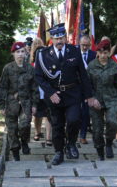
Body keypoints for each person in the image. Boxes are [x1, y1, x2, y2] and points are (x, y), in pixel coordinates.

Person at [35, 23, 93, 165]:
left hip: (72, 93)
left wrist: (89, 95)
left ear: (66, 38)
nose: (59, 41)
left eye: (61, 37)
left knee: (74, 120)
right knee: (57, 125)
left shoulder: (74, 51)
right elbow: (38, 77)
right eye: (56, 39)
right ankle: (58, 152)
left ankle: (71, 144)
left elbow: (83, 75)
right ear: (52, 40)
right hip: (54, 96)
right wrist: (50, 92)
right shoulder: (43, 55)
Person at [0, 42, 37, 161]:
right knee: (12, 129)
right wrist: (1, 105)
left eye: (22, 52)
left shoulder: (30, 68)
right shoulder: (8, 68)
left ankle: (24, 141)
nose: (20, 54)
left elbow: (34, 87)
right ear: (13, 54)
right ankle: (15, 151)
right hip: (11, 103)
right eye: (17, 52)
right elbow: (2, 86)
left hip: (26, 102)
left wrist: (35, 104)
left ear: (26, 53)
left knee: (24, 125)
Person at [87, 39, 117, 160]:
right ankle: (100, 149)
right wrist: (92, 98)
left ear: (109, 52)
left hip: (112, 98)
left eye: (106, 53)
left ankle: (109, 142)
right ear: (97, 52)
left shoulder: (114, 65)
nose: (103, 55)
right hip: (96, 100)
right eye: (101, 52)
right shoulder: (91, 66)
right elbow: (87, 85)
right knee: (97, 129)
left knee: (113, 122)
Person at [30, 37, 52, 146]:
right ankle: (37, 132)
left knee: (48, 115)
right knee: (37, 115)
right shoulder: (31, 64)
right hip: (36, 93)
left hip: (47, 92)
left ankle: (48, 137)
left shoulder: (47, 61)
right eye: (36, 44)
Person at [78, 35, 96, 144]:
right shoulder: (74, 54)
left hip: (88, 88)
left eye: (87, 45)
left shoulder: (94, 55)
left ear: (90, 45)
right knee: (75, 112)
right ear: (79, 44)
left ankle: (83, 135)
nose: (84, 47)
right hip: (75, 87)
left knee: (85, 113)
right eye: (83, 45)